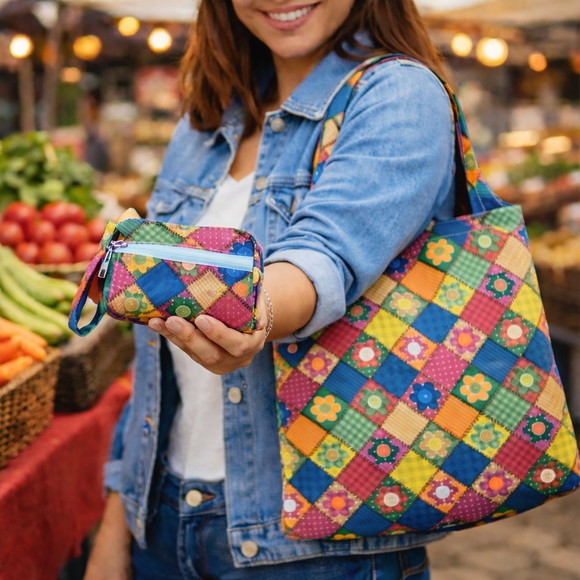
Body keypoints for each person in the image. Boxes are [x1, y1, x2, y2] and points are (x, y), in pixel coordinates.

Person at [84, 1, 457, 578]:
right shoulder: (206, 122)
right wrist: (116, 525)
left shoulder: (398, 94)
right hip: (159, 520)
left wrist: (252, 314)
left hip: (310, 547)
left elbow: (322, 256)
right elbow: (155, 361)